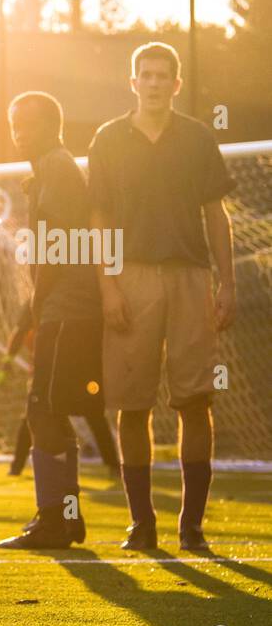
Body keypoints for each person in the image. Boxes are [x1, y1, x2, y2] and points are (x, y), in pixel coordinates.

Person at [89, 42, 236, 552]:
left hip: (191, 276)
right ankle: (142, 523)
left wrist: (228, 281)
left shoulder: (197, 138)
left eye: (162, 76)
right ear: (133, 82)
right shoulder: (108, 139)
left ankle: (191, 527)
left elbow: (216, 213)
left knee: (195, 401)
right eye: (144, 75)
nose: (153, 83)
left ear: (176, 84)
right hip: (130, 277)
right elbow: (99, 218)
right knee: (133, 406)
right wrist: (107, 284)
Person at [0, 92, 104, 549]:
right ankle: (66, 519)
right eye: (14, 124)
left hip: (70, 306)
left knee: (43, 411)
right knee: (50, 410)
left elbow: (56, 242)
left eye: (28, 124)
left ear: (52, 126)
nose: (19, 133)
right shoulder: (44, 172)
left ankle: (54, 521)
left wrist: (39, 299)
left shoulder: (58, 166)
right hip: (66, 307)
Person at [0, 300, 119, 479]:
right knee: (35, 416)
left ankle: (113, 464)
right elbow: (20, 331)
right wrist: (7, 362)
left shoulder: (80, 298)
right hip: (52, 369)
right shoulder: (36, 300)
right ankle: (17, 465)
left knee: (93, 415)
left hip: (77, 367)